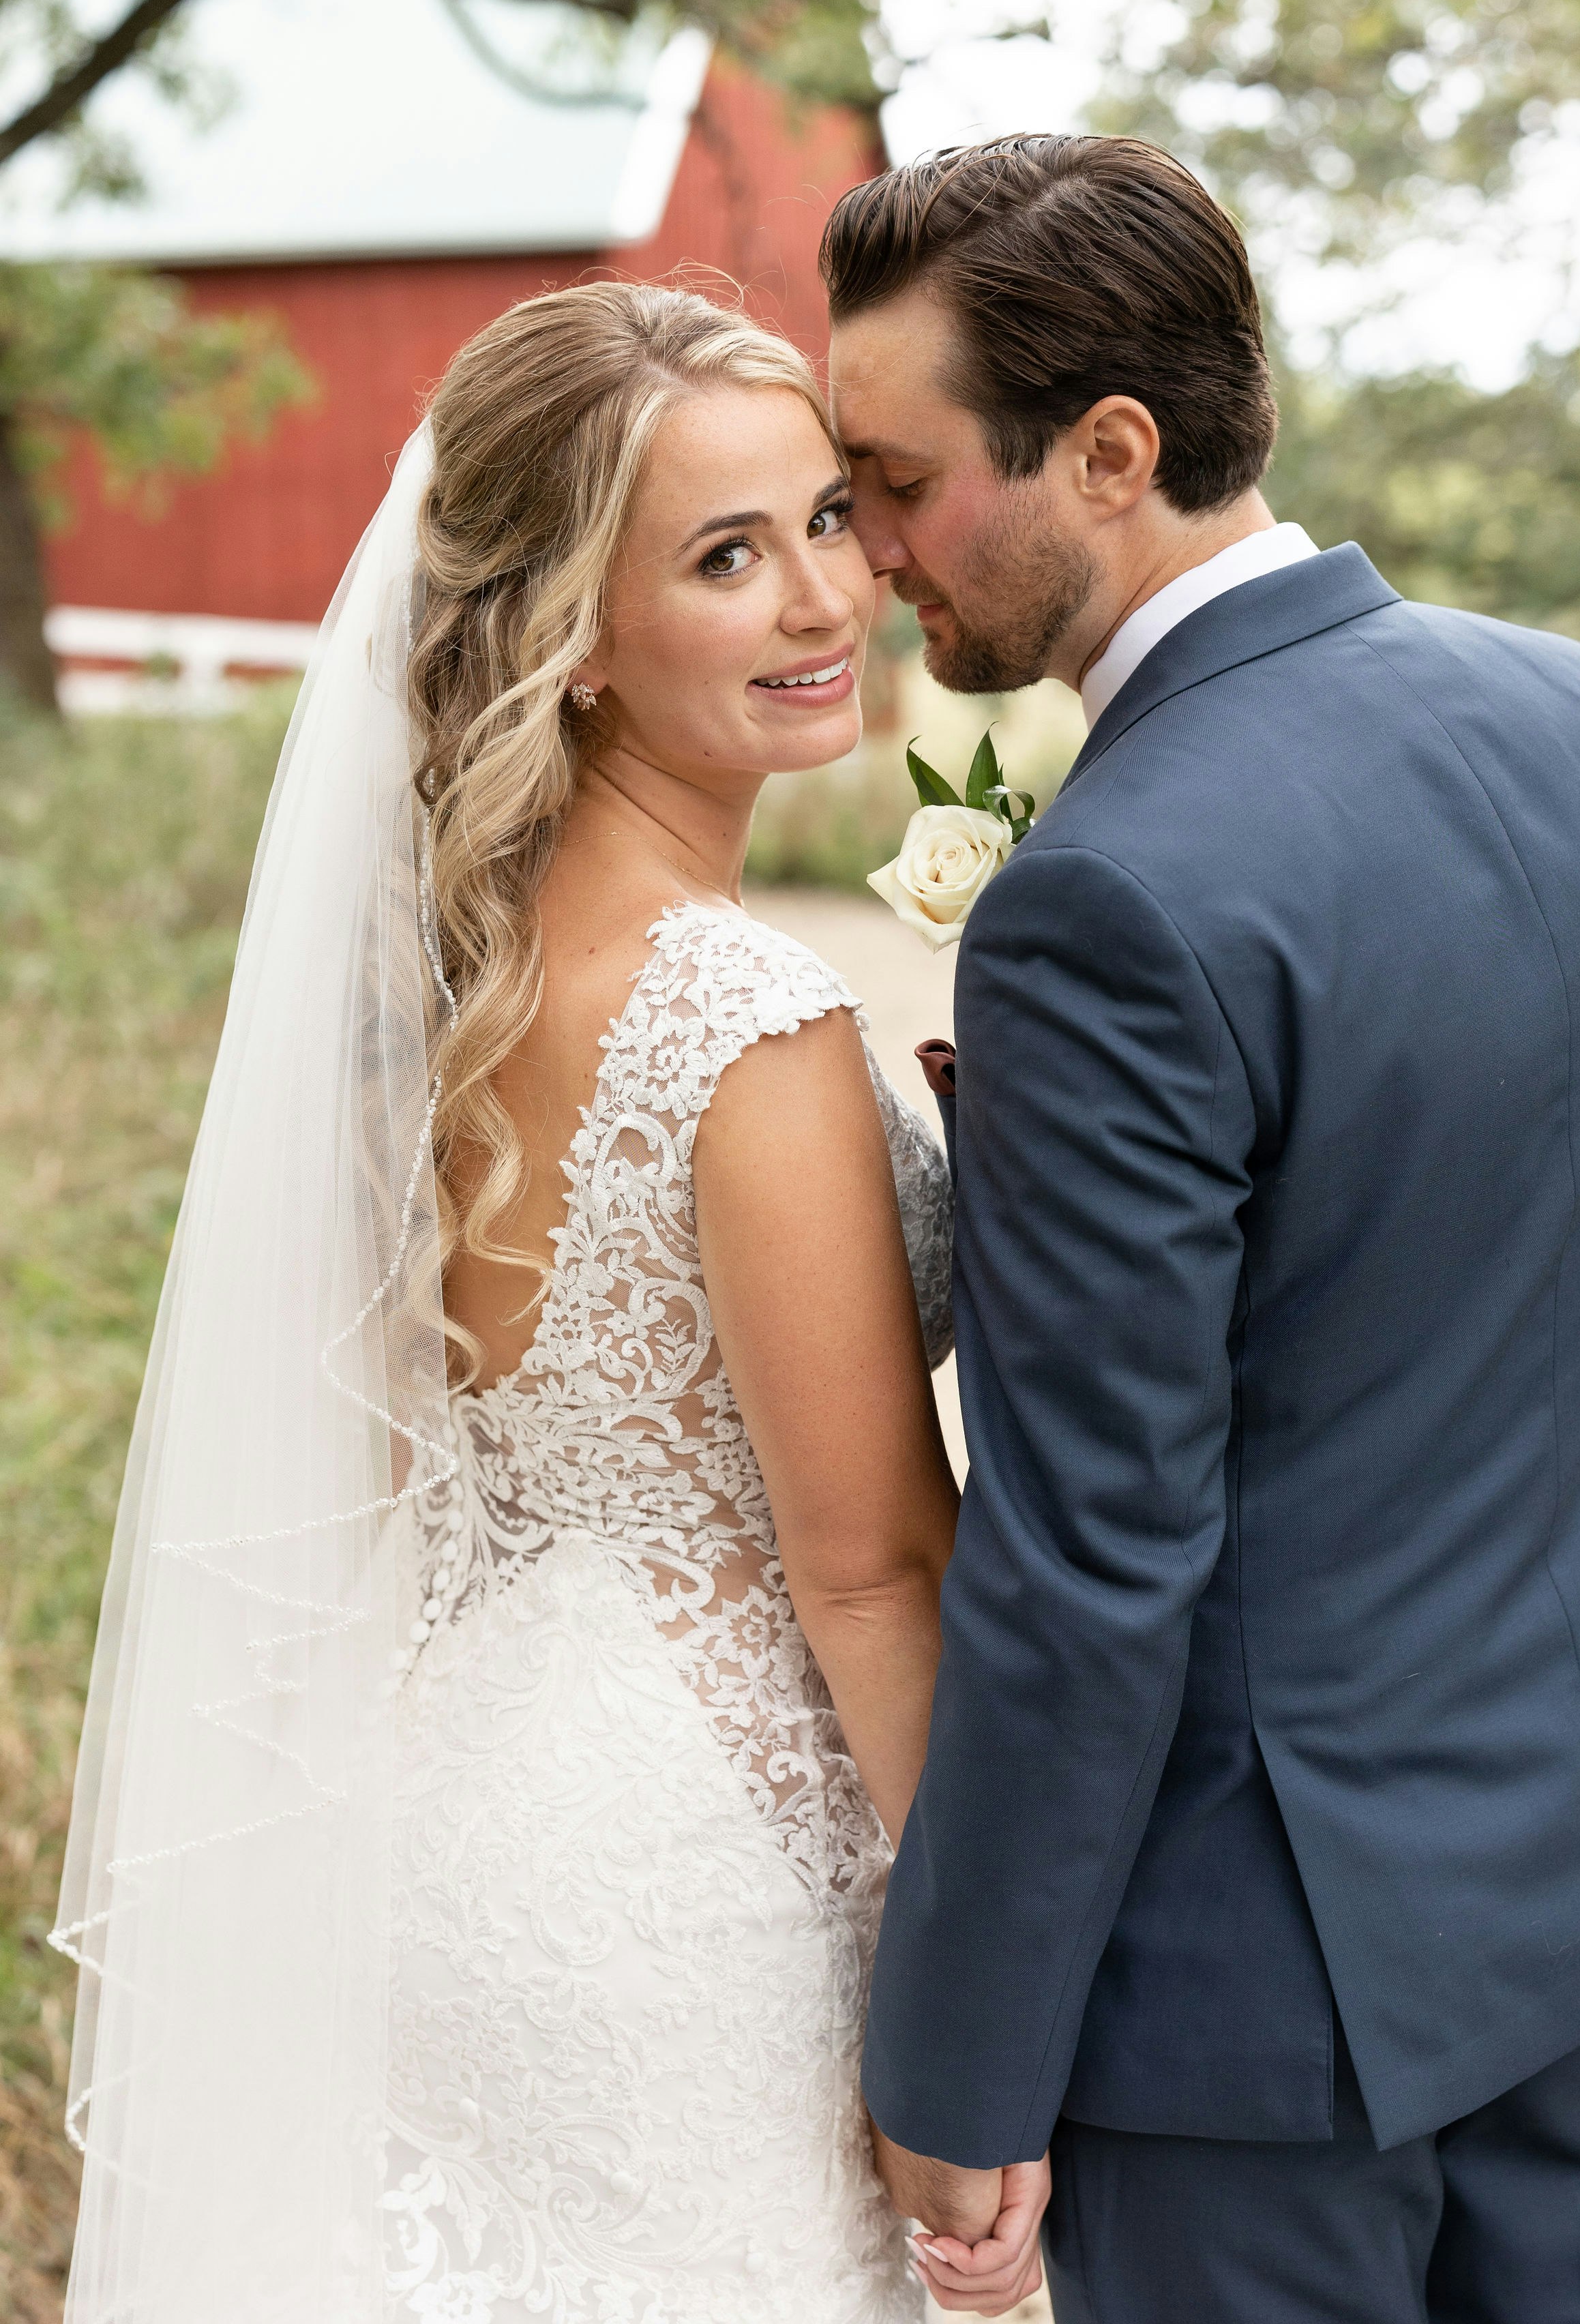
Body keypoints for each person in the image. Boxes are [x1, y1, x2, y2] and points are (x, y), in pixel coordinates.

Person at [53, 282, 959, 2324]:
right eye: (725, 556)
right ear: (575, 631)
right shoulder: (742, 1014)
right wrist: (985, 1991)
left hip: (448, 1800)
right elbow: (873, 1574)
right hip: (695, 1875)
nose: (825, 596)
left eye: (830, 517)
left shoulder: (444, 972)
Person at [823, 133, 1580, 2323]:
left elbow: (1093, 1559)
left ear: (1107, 452)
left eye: (897, 481)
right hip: (1565, 1912)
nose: (864, 549)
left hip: (1260, 2024)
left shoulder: (1106, 900)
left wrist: (962, 2061)